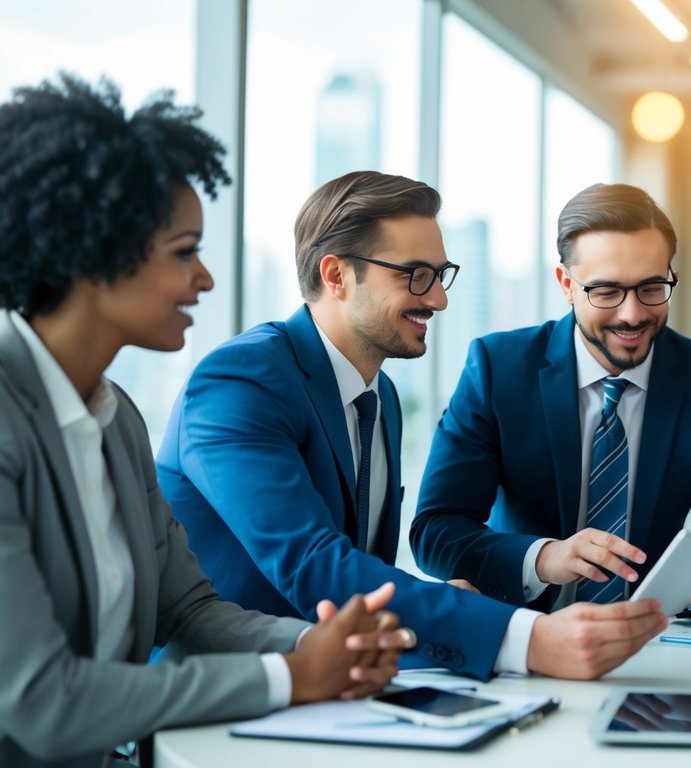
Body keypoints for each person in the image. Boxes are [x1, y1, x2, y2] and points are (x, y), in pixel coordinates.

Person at [0, 75, 409, 768]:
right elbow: (40, 699)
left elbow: (188, 610)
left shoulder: (114, 416)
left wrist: (318, 650)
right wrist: (288, 677)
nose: (207, 280)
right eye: (184, 252)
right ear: (94, 256)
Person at [157, 172, 667, 682]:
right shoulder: (242, 381)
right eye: (415, 276)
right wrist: (523, 638)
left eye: (441, 275)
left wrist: (449, 609)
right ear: (336, 275)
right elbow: (313, 565)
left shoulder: (381, 398)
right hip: (221, 700)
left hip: (339, 690)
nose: (439, 299)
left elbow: (360, 584)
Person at [411, 182, 691, 610]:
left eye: (651, 288)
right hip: (525, 636)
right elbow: (435, 530)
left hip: (655, 635)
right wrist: (542, 558)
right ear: (566, 284)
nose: (632, 314)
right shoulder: (498, 369)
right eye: (607, 291)